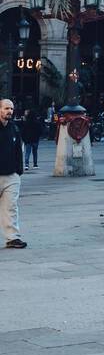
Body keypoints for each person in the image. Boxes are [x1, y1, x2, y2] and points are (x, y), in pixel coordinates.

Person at [0, 98, 26, 250]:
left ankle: (13, 238)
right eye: (6, 108)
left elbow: (18, 150)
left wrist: (18, 171)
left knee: (11, 207)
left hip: (11, 176)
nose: (9, 111)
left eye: (11, 108)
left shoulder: (14, 128)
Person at [20, 107, 42, 171]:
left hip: (28, 140)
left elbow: (23, 132)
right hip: (35, 140)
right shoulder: (37, 123)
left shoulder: (26, 123)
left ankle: (26, 165)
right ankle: (35, 164)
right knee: (35, 152)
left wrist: (24, 139)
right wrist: (38, 137)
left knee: (27, 152)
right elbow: (40, 131)